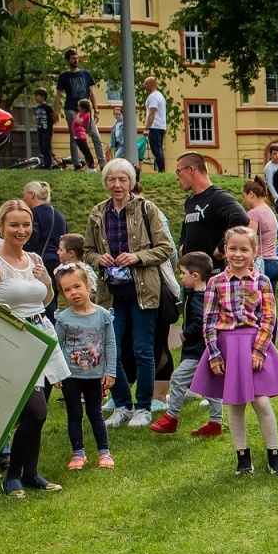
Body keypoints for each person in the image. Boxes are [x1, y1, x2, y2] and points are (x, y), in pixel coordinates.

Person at [0, 200, 73, 499]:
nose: (21, 230)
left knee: (37, 414)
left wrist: (46, 282)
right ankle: (12, 476)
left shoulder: (33, 259)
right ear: (0, 226)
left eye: (26, 224)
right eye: (14, 225)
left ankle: (31, 473)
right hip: (11, 340)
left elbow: (44, 300)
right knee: (36, 412)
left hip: (42, 334)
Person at [190, 226, 278, 475]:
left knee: (262, 402)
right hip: (227, 347)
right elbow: (210, 320)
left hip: (255, 345)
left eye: (244, 249)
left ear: (254, 252)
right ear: (225, 251)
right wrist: (215, 354)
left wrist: (259, 351)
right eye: (233, 249)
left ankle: (274, 453)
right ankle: (242, 457)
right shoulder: (215, 283)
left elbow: (269, 318)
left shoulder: (262, 281)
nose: (238, 254)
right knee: (235, 404)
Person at [83, 158, 176, 429]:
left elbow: (165, 248)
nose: (117, 185)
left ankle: (143, 407)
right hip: (111, 293)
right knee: (112, 350)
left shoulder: (147, 209)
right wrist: (99, 259)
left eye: (122, 179)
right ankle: (122, 404)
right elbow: (87, 251)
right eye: (111, 180)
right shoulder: (97, 214)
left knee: (143, 350)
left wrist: (136, 257)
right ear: (105, 183)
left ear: (131, 182)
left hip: (144, 290)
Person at [148, 254, 225, 438]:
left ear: (196, 276)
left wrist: (185, 333)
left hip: (197, 351)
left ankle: (171, 418)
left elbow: (201, 321)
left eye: (183, 273)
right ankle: (215, 423)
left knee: (177, 378)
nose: (180, 277)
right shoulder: (201, 295)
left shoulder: (199, 298)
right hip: (204, 350)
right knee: (211, 387)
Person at [51, 262, 118, 470]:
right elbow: (56, 346)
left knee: (95, 413)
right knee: (74, 414)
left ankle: (104, 452)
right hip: (71, 376)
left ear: (89, 285)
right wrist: (56, 374)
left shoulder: (103, 315)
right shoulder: (63, 318)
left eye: (77, 286)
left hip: (95, 376)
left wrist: (110, 371)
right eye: (67, 290)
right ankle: (78, 453)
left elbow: (110, 344)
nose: (73, 293)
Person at [175, 153, 249, 265]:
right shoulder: (190, 201)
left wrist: (222, 247)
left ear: (191, 170)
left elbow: (240, 218)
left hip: (213, 274)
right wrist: (183, 244)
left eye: (178, 171)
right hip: (192, 274)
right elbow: (186, 226)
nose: (177, 177)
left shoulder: (218, 197)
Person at [55, 50, 102, 168]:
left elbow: (91, 93)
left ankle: (102, 162)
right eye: (73, 58)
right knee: (74, 136)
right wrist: (55, 111)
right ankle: (76, 163)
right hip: (71, 108)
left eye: (77, 58)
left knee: (95, 135)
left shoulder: (86, 74)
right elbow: (58, 94)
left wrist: (96, 111)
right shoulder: (63, 76)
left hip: (86, 111)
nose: (76, 60)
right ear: (67, 60)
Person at [22, 181, 67, 297]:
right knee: (52, 297)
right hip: (57, 262)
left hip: (39, 264)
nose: (23, 199)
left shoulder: (33, 215)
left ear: (32, 194)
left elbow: (31, 242)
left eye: (24, 195)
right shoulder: (60, 216)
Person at [241, 178, 278, 291]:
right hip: (274, 262)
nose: (244, 201)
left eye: (244, 196)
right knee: (269, 305)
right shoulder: (269, 211)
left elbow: (250, 241)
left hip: (261, 264)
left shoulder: (253, 213)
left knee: (255, 305)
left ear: (251, 194)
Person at [142, 77, 166, 173]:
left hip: (154, 126)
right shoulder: (160, 96)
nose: (145, 87)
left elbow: (152, 112)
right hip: (161, 126)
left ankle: (161, 169)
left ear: (152, 84)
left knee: (155, 149)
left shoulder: (153, 97)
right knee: (159, 148)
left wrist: (147, 128)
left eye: (146, 84)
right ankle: (160, 169)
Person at [70, 99, 98, 170]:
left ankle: (91, 165)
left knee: (86, 150)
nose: (78, 108)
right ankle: (89, 165)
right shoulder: (82, 114)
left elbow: (78, 121)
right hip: (76, 135)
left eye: (79, 107)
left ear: (84, 108)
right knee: (83, 150)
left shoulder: (86, 115)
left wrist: (78, 114)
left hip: (80, 135)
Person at [32, 88, 55, 170]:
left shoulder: (47, 107)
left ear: (43, 97)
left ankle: (48, 165)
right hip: (40, 130)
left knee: (46, 148)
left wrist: (50, 124)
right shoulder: (37, 108)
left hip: (47, 130)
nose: (35, 98)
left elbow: (53, 117)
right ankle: (44, 162)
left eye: (37, 96)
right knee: (42, 148)